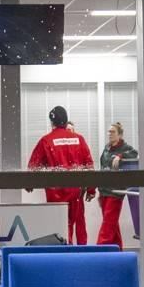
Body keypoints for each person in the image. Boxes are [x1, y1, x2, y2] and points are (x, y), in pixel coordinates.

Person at [29, 105, 94, 245]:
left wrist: (29, 184)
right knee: (72, 225)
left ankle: (64, 253)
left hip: (55, 194)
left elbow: (33, 165)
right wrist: (91, 189)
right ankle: (76, 253)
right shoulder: (79, 139)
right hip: (75, 192)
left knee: (59, 229)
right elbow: (89, 165)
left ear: (52, 122)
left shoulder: (46, 140)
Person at [96, 122, 139, 246]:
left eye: (113, 132)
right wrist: (99, 190)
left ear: (119, 135)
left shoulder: (125, 148)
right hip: (104, 191)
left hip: (115, 193)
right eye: (109, 131)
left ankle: (99, 251)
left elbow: (134, 154)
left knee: (107, 226)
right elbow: (103, 167)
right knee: (112, 225)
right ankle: (118, 250)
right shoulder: (106, 148)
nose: (110, 134)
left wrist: (120, 156)